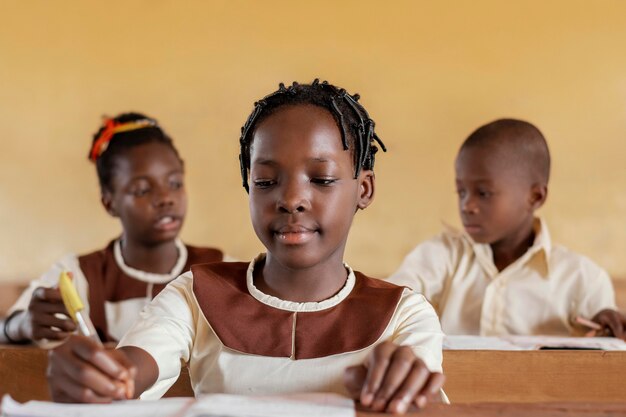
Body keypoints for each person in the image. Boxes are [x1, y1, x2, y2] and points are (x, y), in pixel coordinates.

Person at [47, 81, 445, 414]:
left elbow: (420, 397)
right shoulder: (196, 294)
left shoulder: (402, 315)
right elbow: (131, 371)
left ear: (364, 189)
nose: (291, 199)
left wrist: (408, 385)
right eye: (266, 181)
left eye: (321, 179)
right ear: (247, 187)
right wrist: (97, 374)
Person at [389, 118, 625, 338]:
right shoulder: (440, 256)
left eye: (483, 193)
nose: (467, 205)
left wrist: (607, 329)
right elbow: (388, 305)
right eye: (461, 191)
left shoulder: (582, 279)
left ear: (534, 197)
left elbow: (603, 359)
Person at [0, 113, 224, 344]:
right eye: (142, 190)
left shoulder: (222, 270)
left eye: (174, 183)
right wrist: (20, 326)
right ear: (110, 203)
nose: (166, 198)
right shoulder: (79, 275)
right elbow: (5, 327)